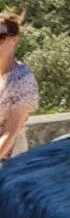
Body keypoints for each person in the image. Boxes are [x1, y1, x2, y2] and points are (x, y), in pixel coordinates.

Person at [0, 13, 37, 163]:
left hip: (8, 164)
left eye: (0, 37)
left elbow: (10, 133)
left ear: (14, 40)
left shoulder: (23, 79)